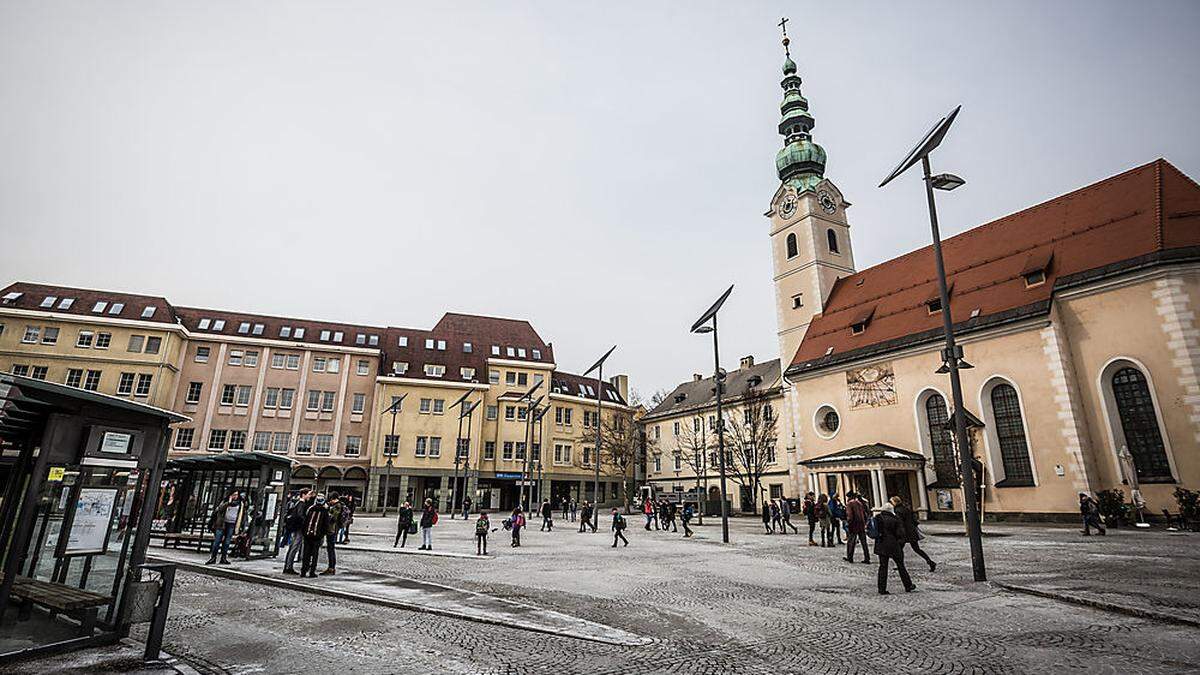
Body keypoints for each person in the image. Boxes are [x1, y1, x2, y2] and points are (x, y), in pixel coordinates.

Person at [873, 502, 915, 595]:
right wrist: (900, 542)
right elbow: (901, 534)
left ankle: (881, 588)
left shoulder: (878, 518)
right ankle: (908, 585)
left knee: (883, 567)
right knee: (900, 565)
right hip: (893, 545)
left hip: (881, 544)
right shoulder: (895, 519)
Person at [890, 496, 936, 572]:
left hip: (904, 533)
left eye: (892, 502)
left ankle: (900, 565)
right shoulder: (906, 509)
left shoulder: (897, 511)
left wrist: (898, 533)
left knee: (899, 549)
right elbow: (914, 520)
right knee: (916, 549)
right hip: (911, 532)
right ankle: (930, 562)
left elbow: (900, 523)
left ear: (895, 502)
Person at [206, 490, 242, 565]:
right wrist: (228, 502)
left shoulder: (240, 503)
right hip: (222, 523)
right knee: (217, 541)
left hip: (231, 524)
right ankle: (213, 558)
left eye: (236, 495)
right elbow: (220, 509)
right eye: (233, 494)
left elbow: (242, 515)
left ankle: (223, 558)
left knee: (227, 542)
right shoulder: (225, 502)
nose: (235, 496)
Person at [300, 493, 331, 578]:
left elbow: (305, 521)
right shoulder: (324, 511)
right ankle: (312, 572)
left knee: (306, 553)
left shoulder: (311, 509)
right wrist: (323, 534)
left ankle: (303, 571)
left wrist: (304, 533)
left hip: (307, 535)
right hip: (317, 536)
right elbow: (326, 525)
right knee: (315, 554)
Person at [282, 489, 312, 574]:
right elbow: (300, 516)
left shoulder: (298, 503)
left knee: (293, 547)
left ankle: (288, 566)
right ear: (303, 494)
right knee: (294, 547)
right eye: (308, 494)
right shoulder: (301, 504)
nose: (309, 496)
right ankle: (288, 567)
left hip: (295, 528)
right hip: (299, 528)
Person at [844, 492, 871, 564]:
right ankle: (867, 557)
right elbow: (865, 513)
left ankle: (850, 557)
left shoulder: (850, 503)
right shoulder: (859, 503)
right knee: (863, 542)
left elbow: (850, 515)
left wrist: (849, 523)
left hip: (854, 524)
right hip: (861, 524)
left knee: (851, 541)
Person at [322, 493, 342, 574]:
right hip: (332, 529)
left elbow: (333, 518)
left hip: (332, 530)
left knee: (330, 549)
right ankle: (331, 567)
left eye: (331, 500)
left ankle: (331, 568)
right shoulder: (337, 505)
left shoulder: (337, 506)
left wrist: (327, 509)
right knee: (330, 548)